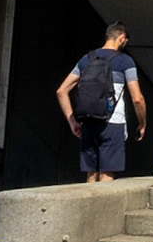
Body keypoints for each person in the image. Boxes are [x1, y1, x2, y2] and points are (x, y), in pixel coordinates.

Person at [55, 22, 147, 183]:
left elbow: (61, 91)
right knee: (107, 174)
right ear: (121, 38)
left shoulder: (86, 59)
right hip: (113, 123)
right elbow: (137, 99)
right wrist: (142, 123)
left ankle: (89, 208)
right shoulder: (125, 61)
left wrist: (73, 122)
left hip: (88, 122)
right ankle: (105, 209)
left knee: (91, 173)